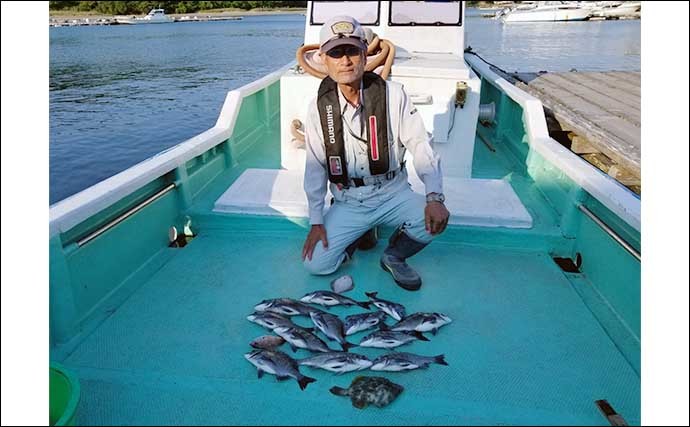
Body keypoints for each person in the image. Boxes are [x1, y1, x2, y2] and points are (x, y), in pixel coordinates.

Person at [301, 15, 449, 291]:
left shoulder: (393, 94)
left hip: (393, 193)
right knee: (316, 265)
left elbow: (420, 145)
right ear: (323, 59)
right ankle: (360, 233)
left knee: (435, 219)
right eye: (335, 53)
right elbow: (315, 167)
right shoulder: (317, 108)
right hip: (349, 201)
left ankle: (394, 256)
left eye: (352, 51)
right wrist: (316, 221)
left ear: (364, 54)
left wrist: (434, 196)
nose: (345, 61)